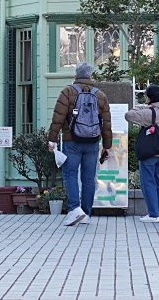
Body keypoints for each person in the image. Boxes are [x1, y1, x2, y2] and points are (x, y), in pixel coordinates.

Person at [48, 61, 112, 226]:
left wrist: (52, 139)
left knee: (70, 174)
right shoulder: (100, 95)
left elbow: (58, 117)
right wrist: (107, 145)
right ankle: (86, 213)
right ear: (91, 76)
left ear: (75, 76)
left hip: (72, 141)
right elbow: (106, 123)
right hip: (92, 142)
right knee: (89, 178)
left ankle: (75, 209)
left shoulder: (67, 92)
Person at [124, 84, 159, 223]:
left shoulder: (148, 113)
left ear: (149, 98)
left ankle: (153, 214)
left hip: (149, 153)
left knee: (148, 182)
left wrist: (142, 107)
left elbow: (129, 115)